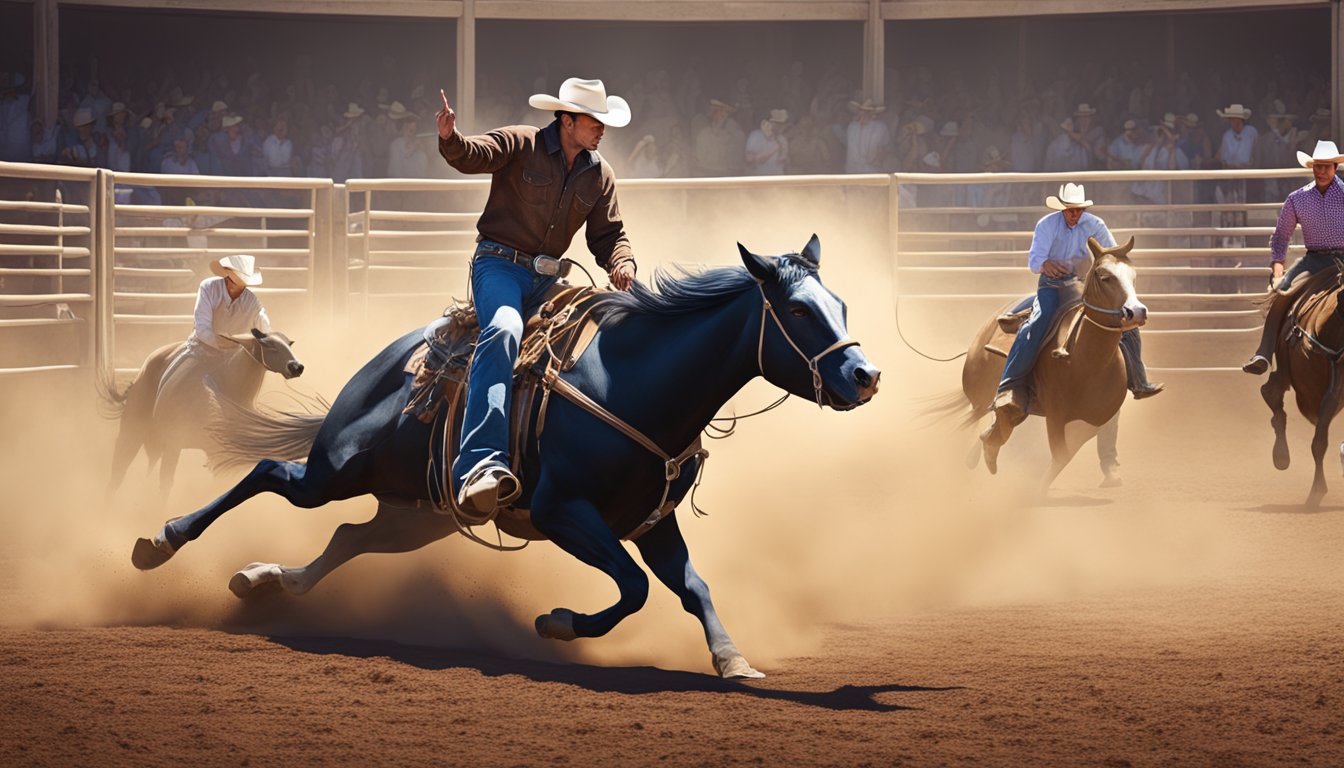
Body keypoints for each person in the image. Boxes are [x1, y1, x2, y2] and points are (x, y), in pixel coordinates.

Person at [427, 78, 637, 520]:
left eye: (603, 122)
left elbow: (610, 235)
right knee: (504, 328)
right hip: (498, 266)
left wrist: (623, 263)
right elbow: (473, 154)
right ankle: (479, 463)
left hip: (546, 278)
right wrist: (450, 138)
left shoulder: (599, 175)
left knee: (602, 324)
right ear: (566, 119)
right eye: (594, 121)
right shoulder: (521, 143)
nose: (601, 130)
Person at [993, 182, 1164, 426]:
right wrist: (1046, 265)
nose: (1075, 214)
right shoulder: (1047, 225)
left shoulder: (1095, 225)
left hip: (1086, 286)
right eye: (1070, 209)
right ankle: (1009, 386)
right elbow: (1034, 261)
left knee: (1126, 322)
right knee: (1038, 321)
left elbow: (1111, 257)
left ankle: (1139, 380)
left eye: (1078, 210)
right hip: (1053, 286)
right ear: (1062, 208)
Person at [1242, 140, 1344, 375]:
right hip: (1314, 261)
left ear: (1334, 168)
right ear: (1312, 167)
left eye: (1326, 167)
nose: (1321, 171)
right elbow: (1280, 238)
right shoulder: (1298, 199)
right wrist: (1278, 270)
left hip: (1343, 261)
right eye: (1317, 166)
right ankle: (1264, 353)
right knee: (1281, 294)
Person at [158, 254, 272, 402]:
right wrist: (219, 342)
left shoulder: (251, 301)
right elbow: (202, 328)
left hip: (233, 355)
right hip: (200, 349)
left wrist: (267, 339)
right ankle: (163, 402)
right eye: (230, 278)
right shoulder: (208, 287)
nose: (231, 283)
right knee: (174, 380)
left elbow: (263, 322)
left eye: (237, 280)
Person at [842, 99, 890, 174]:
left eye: (864, 115)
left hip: (872, 171)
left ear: (871, 115)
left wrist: (876, 158)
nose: (860, 117)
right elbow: (851, 150)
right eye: (859, 114)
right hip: (852, 171)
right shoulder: (852, 127)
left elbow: (885, 148)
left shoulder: (880, 128)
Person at [744, 109, 788, 175]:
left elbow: (782, 161)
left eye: (780, 125)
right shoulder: (755, 136)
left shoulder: (782, 140)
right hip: (758, 178)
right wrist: (774, 149)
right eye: (774, 123)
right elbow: (749, 160)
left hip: (776, 178)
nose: (777, 127)